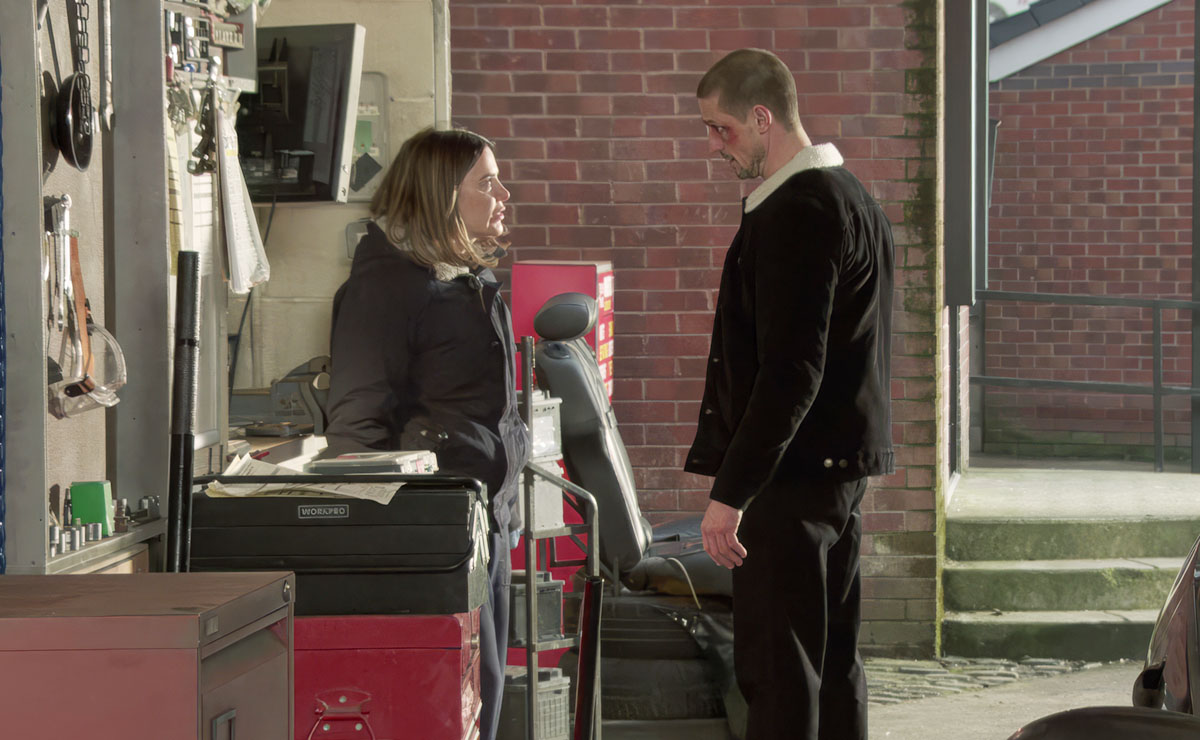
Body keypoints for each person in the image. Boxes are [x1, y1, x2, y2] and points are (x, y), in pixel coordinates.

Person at [684, 49, 895, 740]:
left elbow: (791, 371)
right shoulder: (852, 196)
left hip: (792, 477)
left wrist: (731, 493)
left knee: (779, 672)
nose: (714, 146)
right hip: (836, 473)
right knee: (831, 664)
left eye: (721, 129)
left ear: (762, 118)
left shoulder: (797, 209)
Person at [323, 127, 529, 740]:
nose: (503, 195)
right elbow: (355, 429)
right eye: (486, 182)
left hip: (485, 523)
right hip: (434, 540)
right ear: (443, 194)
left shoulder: (466, 279)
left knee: (485, 701)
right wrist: (396, 553)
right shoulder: (387, 286)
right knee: (451, 712)